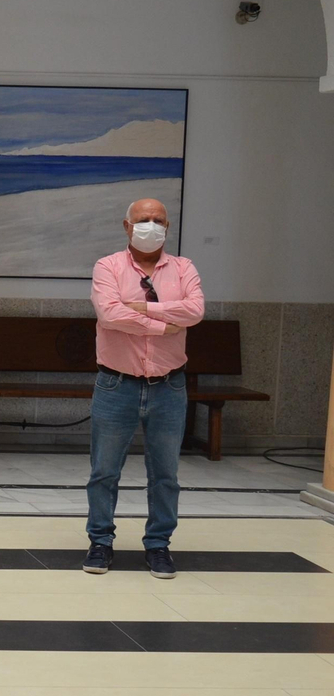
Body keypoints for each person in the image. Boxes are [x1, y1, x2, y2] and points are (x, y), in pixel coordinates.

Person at [83, 198, 203, 579]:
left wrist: (144, 308)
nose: (151, 225)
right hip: (116, 384)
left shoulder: (183, 268)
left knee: (165, 474)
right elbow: (110, 313)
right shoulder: (108, 267)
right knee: (104, 471)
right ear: (127, 226)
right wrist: (163, 324)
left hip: (169, 386)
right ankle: (100, 541)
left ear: (168, 226)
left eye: (158, 220)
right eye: (143, 219)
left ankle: (158, 545)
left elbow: (195, 310)